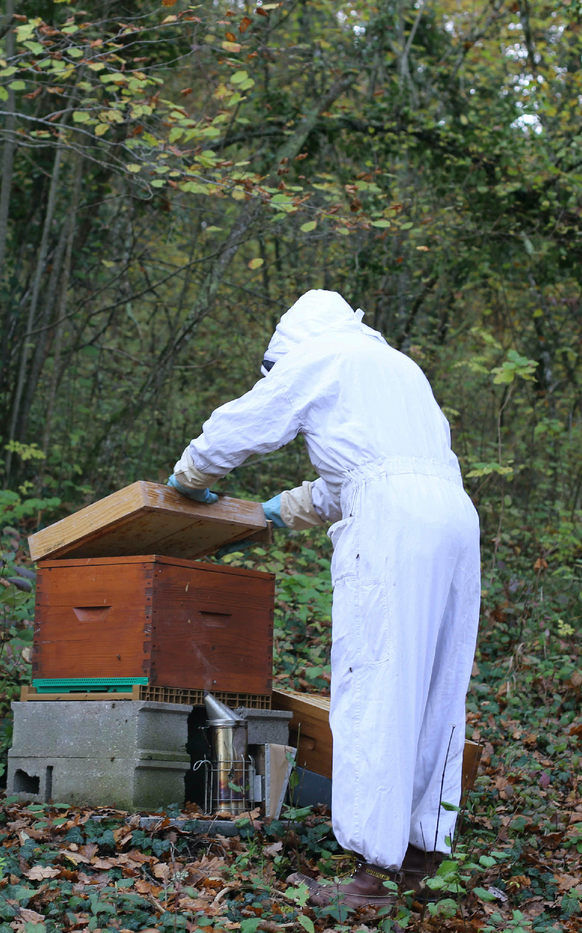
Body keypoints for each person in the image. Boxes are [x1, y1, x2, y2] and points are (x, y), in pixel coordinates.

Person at [167, 289, 481, 908]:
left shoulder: (319, 355)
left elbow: (247, 423)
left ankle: (372, 874)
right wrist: (280, 509)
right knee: (436, 688)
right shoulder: (397, 368)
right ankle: (422, 857)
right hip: (454, 517)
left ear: (290, 342)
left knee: (376, 682)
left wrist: (192, 473)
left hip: (393, 526)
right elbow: (365, 471)